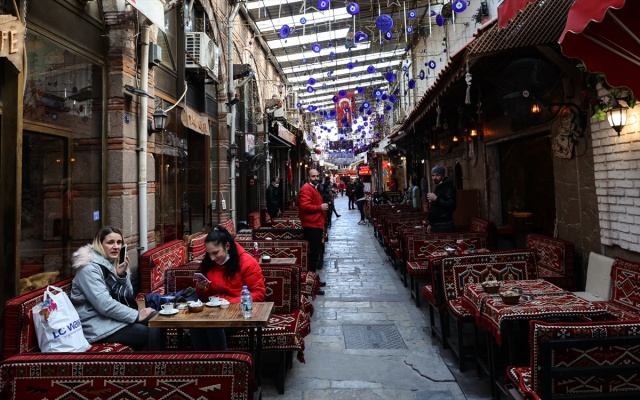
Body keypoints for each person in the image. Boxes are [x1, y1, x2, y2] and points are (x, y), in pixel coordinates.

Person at [70, 226, 161, 350]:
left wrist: (121, 276)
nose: (116, 247)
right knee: (148, 332)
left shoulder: (112, 262)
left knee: (158, 319)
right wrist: (136, 315)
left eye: (119, 242)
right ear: (99, 245)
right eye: (110, 242)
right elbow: (104, 305)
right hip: (97, 325)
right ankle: (151, 365)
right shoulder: (89, 269)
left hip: (112, 318)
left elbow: (128, 295)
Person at [192, 225, 266, 350]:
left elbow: (259, 293)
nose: (212, 258)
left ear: (227, 246)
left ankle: (220, 363)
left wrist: (229, 302)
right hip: (214, 312)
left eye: (215, 253)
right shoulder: (209, 264)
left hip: (239, 313)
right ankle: (203, 364)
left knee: (211, 325)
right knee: (197, 325)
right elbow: (205, 297)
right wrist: (202, 288)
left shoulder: (247, 263)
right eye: (209, 254)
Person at [298, 169, 328, 294]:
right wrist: (320, 207)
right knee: (313, 256)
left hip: (316, 224)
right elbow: (304, 206)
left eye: (317, 176)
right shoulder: (306, 189)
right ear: (308, 177)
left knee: (316, 254)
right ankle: (312, 285)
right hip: (312, 226)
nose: (316, 178)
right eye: (313, 176)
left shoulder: (313, 188)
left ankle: (314, 280)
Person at [426, 165, 457, 233]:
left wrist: (436, 199)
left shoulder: (448, 187)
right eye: (433, 175)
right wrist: (431, 224)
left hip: (444, 225)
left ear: (442, 176)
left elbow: (452, 205)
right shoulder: (439, 186)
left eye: (437, 175)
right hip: (437, 225)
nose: (434, 178)